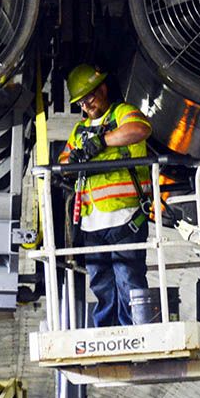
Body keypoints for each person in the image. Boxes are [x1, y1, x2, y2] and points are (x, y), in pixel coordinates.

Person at [58, 64, 153, 327]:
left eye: (89, 97)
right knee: (101, 285)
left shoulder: (122, 113)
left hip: (126, 217)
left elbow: (140, 129)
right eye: (81, 102)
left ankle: (136, 332)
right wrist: (73, 159)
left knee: (129, 280)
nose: (87, 106)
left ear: (102, 89)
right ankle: (106, 334)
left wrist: (102, 141)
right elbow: (63, 163)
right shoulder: (79, 131)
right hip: (92, 223)